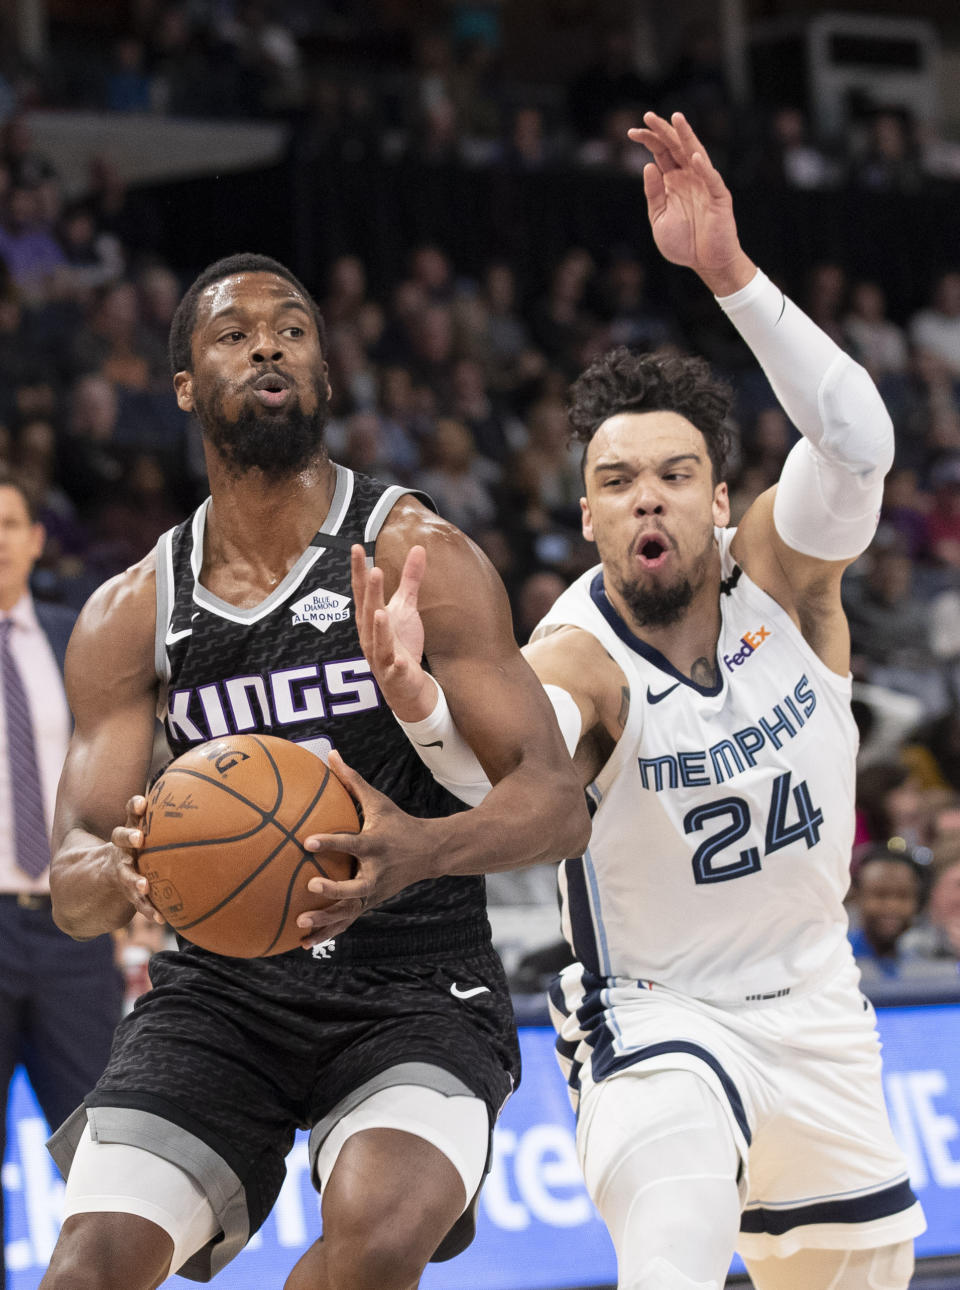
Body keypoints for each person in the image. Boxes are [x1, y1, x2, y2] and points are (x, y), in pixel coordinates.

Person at [363, 113, 926, 1290]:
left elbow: (862, 437)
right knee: (670, 1255)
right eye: (615, 482)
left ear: (721, 501)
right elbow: (520, 775)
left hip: (820, 1008)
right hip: (659, 1021)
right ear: (585, 517)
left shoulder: (786, 571)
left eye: (674, 475)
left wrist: (727, 271)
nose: (646, 499)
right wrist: (421, 702)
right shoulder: (578, 656)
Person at [41, 252, 589, 1290]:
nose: (268, 346)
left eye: (293, 331)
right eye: (234, 334)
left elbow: (559, 804)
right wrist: (126, 873)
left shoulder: (420, 557)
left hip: (416, 980)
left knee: (373, 1247)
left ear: (326, 377)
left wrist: (418, 850)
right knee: (85, 1270)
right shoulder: (130, 615)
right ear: (187, 388)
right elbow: (70, 883)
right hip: (221, 991)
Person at [0, 478, 123, 1289]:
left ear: (38, 537)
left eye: (8, 522)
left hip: (75, 929)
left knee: (108, 1160)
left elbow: (111, 775)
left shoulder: (69, 636)